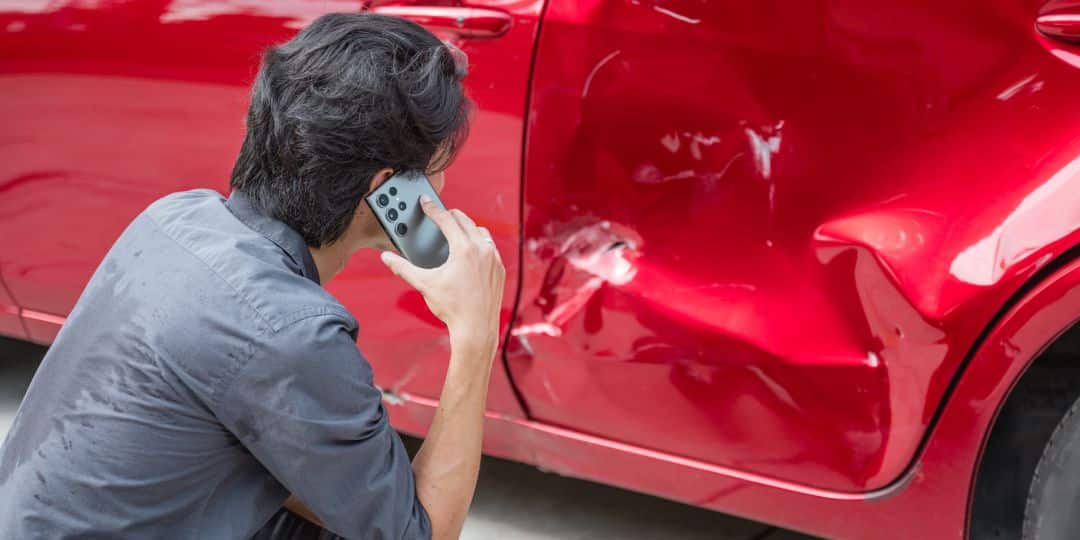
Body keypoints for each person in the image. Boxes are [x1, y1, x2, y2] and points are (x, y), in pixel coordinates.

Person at [0, 12, 503, 540]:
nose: (442, 185)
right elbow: (423, 533)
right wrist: (475, 333)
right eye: (437, 167)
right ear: (386, 189)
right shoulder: (293, 336)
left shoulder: (174, 218)